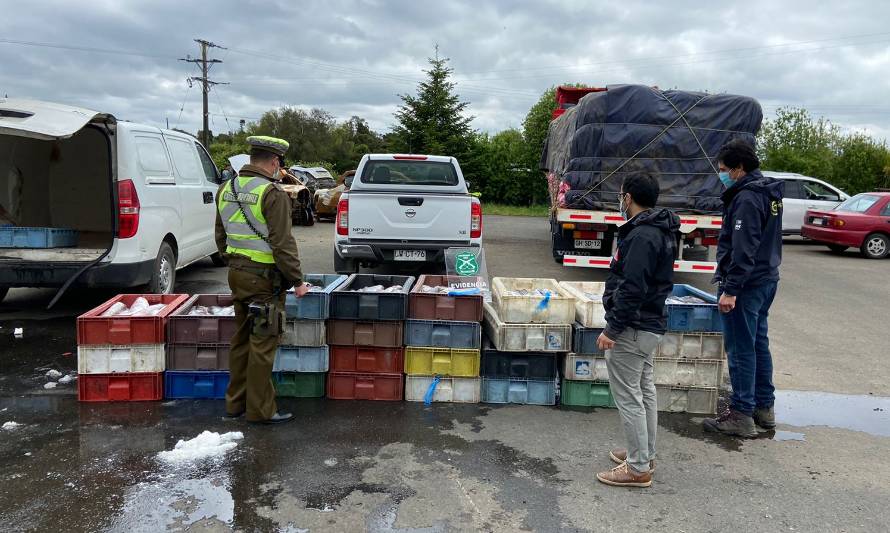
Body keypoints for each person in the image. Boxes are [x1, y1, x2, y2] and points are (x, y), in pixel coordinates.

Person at [215, 135, 309, 425]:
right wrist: (297, 281)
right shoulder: (272, 193)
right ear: (273, 162)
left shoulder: (226, 188)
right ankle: (261, 410)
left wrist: (234, 260)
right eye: (278, 164)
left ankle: (235, 405)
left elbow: (221, 236)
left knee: (241, 340)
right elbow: (283, 243)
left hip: (237, 275)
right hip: (264, 281)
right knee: (263, 344)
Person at [595, 174, 680, 488]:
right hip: (649, 325)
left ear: (628, 197)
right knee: (644, 392)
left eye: (621, 195)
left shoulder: (642, 235)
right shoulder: (660, 229)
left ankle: (638, 467)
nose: (621, 200)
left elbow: (633, 287)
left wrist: (613, 329)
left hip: (633, 328)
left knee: (630, 397)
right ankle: (644, 454)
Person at [703, 139, 784, 437]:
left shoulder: (748, 198)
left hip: (747, 284)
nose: (721, 175)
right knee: (758, 342)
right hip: (766, 279)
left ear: (739, 169)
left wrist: (731, 289)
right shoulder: (768, 192)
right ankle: (764, 407)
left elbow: (743, 248)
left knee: (740, 348)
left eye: (724, 170)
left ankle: (741, 413)